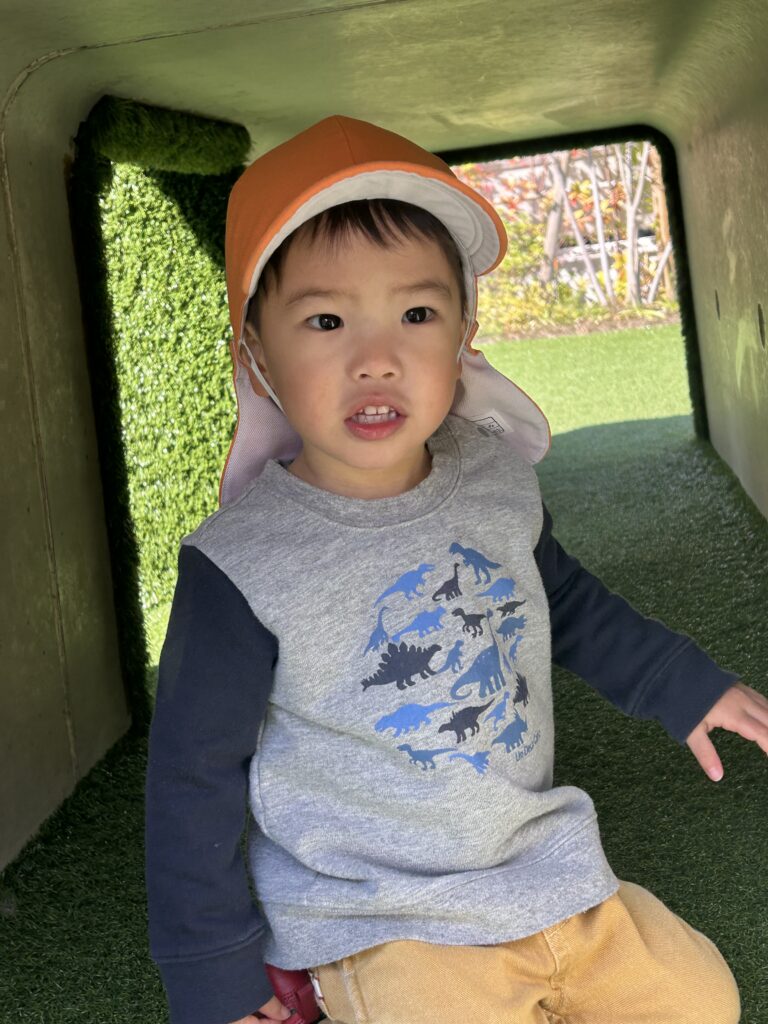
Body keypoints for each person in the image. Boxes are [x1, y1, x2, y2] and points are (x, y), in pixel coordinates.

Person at [145, 115, 767, 1024]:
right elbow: (190, 776)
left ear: (465, 333)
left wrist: (683, 684)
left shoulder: (491, 478)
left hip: (543, 869)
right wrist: (212, 973)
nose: (377, 359)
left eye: (417, 314)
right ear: (257, 354)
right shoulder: (241, 564)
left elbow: (561, 599)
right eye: (326, 320)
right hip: (377, 914)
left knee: (700, 1000)